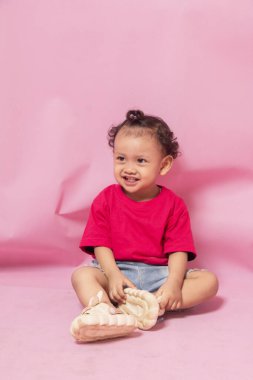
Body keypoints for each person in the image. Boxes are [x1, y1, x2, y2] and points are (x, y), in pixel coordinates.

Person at [70, 110, 218, 343]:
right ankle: (105, 311)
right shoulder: (105, 199)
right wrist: (113, 274)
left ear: (164, 165)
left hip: (158, 275)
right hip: (116, 271)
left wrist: (172, 284)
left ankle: (153, 305)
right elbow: (100, 243)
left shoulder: (174, 205)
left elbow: (178, 250)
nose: (129, 168)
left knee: (209, 282)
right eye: (121, 158)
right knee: (82, 275)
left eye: (140, 161)